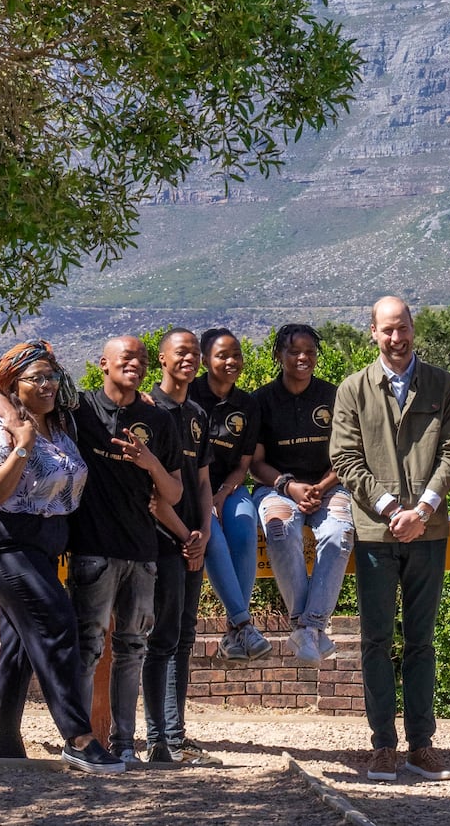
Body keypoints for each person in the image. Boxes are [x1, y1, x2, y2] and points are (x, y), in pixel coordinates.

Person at [0, 341, 124, 774]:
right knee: (55, 622)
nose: (48, 384)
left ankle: (3, 740)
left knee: (19, 643)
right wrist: (22, 444)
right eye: (36, 378)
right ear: (17, 385)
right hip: (1, 538)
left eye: (52, 376)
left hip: (44, 544)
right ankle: (78, 736)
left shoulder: (64, 425)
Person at [332, 296, 450, 783]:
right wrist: (393, 510)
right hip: (374, 532)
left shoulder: (443, 386)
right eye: (387, 330)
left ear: (414, 328)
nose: (396, 338)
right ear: (373, 332)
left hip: (428, 531)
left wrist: (423, 509)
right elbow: (346, 460)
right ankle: (383, 746)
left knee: (421, 641)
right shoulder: (352, 390)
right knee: (376, 640)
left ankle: (422, 745)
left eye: (403, 328)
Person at [63, 335, 183, 766]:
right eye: (126, 357)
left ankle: (124, 743)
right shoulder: (81, 409)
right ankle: (75, 739)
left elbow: (172, 491)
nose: (136, 363)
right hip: (93, 551)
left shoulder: (159, 420)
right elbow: (13, 388)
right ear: (103, 364)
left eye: (142, 358)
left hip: (142, 553)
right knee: (88, 646)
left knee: (133, 647)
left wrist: (149, 462)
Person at [141, 328, 220, 766]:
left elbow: (204, 481)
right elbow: (152, 495)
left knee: (185, 638)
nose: (188, 358)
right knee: (162, 638)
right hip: (163, 541)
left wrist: (204, 532)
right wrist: (183, 535)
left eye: (194, 352)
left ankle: (177, 735)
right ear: (163, 359)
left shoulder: (196, 413)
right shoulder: (149, 412)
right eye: (180, 352)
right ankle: (158, 739)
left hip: (193, 541)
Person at [251, 323, 350, 664]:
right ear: (279, 355)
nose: (303, 358)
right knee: (279, 530)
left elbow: (349, 454)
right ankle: (306, 627)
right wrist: (290, 486)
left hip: (329, 487)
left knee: (339, 534)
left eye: (309, 351)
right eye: (294, 351)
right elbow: (256, 464)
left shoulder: (333, 396)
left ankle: (309, 627)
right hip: (277, 488)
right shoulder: (261, 401)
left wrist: (321, 487)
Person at [190, 327, 271, 662]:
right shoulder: (190, 395)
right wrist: (209, 501)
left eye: (236, 354)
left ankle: (234, 631)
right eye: (222, 355)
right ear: (205, 359)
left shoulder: (247, 405)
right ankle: (241, 623)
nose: (231, 361)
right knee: (212, 535)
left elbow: (244, 465)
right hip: (192, 489)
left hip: (229, 487)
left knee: (244, 520)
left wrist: (223, 495)